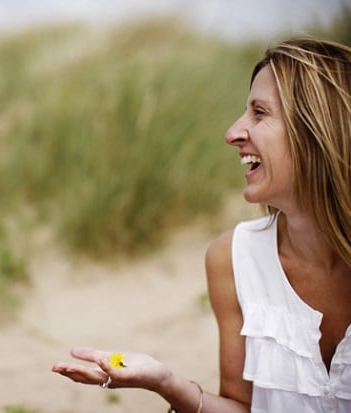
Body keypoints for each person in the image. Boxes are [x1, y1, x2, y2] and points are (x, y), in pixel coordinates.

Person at [51, 37, 351, 413]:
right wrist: (165, 382)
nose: (233, 134)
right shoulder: (232, 259)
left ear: (319, 130)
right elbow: (240, 407)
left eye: (259, 113)